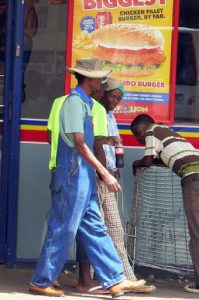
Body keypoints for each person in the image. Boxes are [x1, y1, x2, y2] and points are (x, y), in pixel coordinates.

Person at [28, 58, 145, 297]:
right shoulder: (73, 103)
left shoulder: (86, 103)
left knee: (95, 227)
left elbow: (86, 141)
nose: (101, 81)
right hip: (72, 175)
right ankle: (41, 280)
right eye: (98, 77)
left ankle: (114, 279)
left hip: (83, 176)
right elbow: (79, 145)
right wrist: (105, 173)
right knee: (62, 229)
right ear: (88, 78)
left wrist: (105, 141)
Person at [76, 78, 156, 294]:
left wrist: (113, 166)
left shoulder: (109, 115)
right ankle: (97, 280)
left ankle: (124, 278)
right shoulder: (95, 111)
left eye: (119, 99)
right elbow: (95, 144)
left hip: (106, 175)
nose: (115, 102)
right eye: (113, 97)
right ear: (103, 93)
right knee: (96, 230)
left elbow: (110, 144)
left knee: (114, 230)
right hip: (97, 176)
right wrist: (105, 170)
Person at [130, 114, 199, 294]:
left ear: (144, 126)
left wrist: (136, 164)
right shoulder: (169, 133)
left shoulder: (151, 132)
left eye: (138, 134)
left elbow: (147, 161)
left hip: (193, 180)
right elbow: (166, 158)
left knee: (197, 233)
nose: (139, 139)